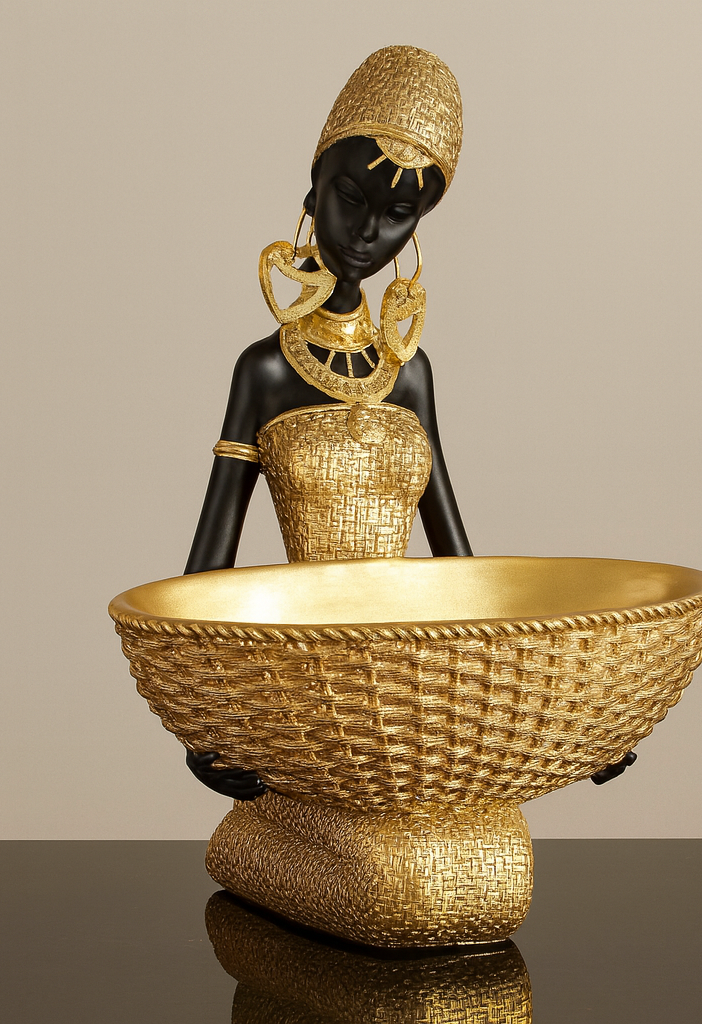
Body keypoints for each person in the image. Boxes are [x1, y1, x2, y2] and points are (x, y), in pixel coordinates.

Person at [182, 46, 472, 800]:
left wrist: (569, 725)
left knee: (489, 856)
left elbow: (465, 576)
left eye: (397, 216)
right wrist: (202, 718)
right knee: (383, 865)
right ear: (312, 192)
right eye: (351, 196)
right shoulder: (265, 371)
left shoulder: (410, 373)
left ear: (415, 231)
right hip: (302, 700)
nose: (367, 232)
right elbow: (209, 566)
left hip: (415, 692)